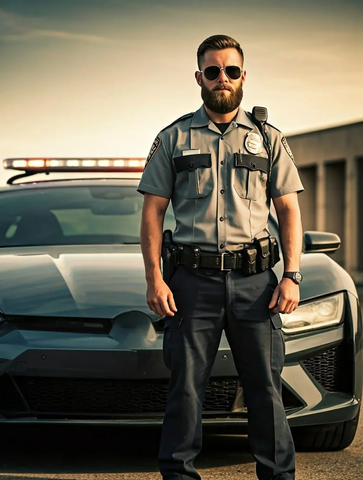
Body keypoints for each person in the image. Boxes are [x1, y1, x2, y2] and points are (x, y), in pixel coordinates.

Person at [138, 34, 304, 480]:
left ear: (243, 76)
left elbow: (288, 210)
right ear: (199, 77)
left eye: (231, 70)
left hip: (256, 284)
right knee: (186, 391)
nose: (222, 79)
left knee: (266, 390)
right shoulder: (173, 138)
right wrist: (155, 278)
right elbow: (152, 211)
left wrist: (292, 275)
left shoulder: (268, 139)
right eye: (213, 71)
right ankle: (178, 475)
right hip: (192, 283)